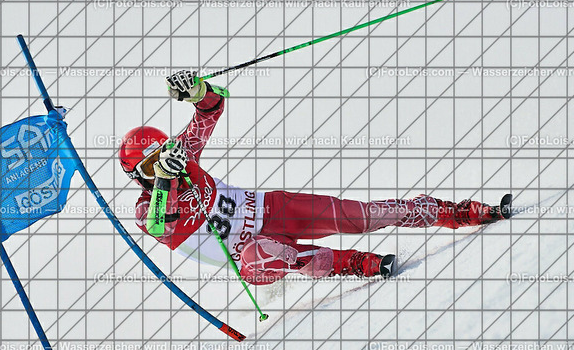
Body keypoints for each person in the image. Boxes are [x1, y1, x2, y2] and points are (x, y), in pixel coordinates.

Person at [119, 70, 512, 286]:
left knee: (363, 216)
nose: (164, 164)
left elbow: (213, 106)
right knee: (265, 255)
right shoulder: (145, 208)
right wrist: (166, 180)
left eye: (163, 153)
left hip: (272, 209)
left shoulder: (183, 156)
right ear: (139, 177)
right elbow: (161, 223)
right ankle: (354, 263)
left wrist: (198, 90)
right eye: (151, 166)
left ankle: (459, 212)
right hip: (250, 257)